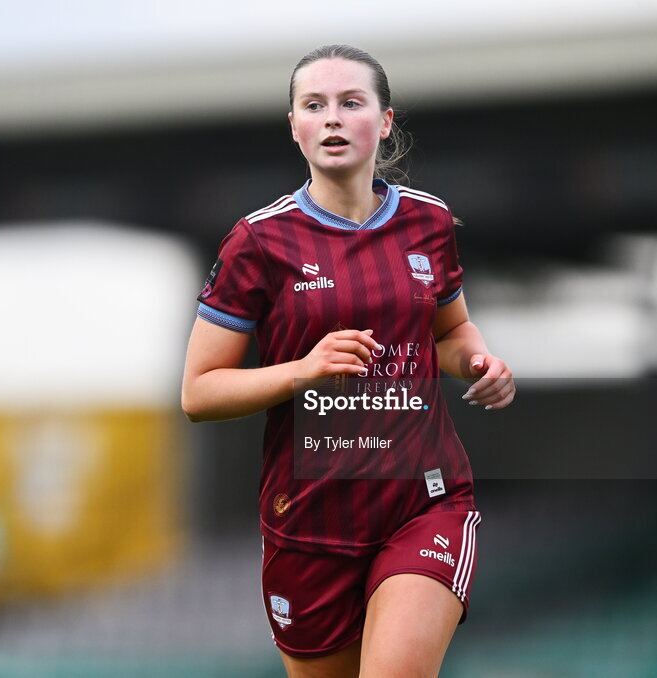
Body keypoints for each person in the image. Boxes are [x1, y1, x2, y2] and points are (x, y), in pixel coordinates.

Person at [182, 44, 515, 678]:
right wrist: (302, 370)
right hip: (307, 521)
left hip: (424, 501)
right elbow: (198, 393)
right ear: (295, 128)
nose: (332, 118)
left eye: (351, 103)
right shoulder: (257, 241)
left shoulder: (429, 222)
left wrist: (479, 362)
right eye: (314, 105)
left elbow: (450, 333)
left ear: (384, 121)